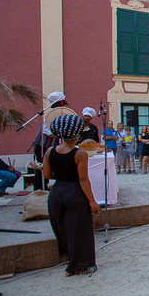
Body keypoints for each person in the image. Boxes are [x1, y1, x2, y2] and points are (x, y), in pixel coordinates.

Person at [42, 114, 101, 276]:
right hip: (74, 193)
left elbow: (47, 174)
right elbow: (83, 180)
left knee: (63, 228)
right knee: (80, 230)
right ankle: (79, 265)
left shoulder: (49, 151)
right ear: (77, 133)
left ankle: (69, 262)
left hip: (56, 193)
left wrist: (62, 175)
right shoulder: (79, 154)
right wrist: (92, 201)